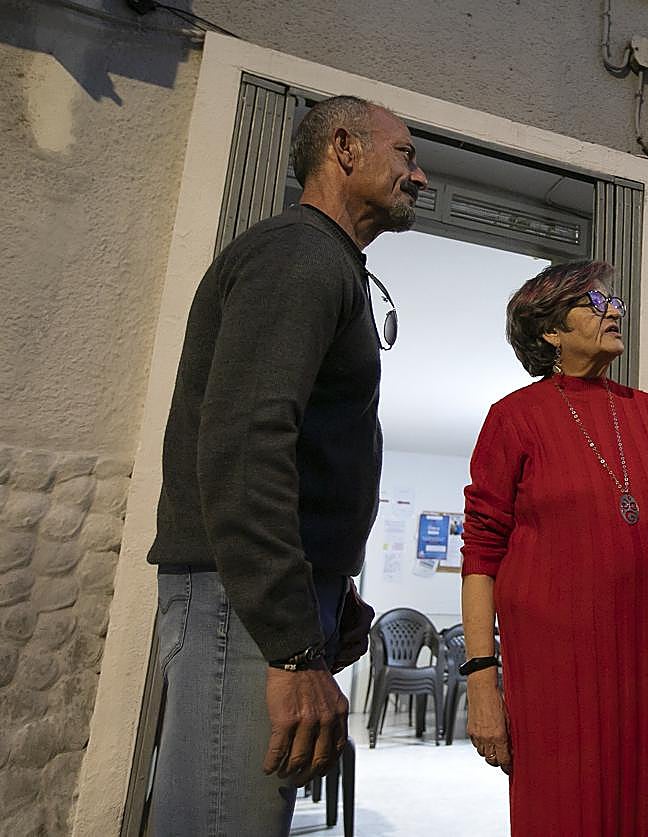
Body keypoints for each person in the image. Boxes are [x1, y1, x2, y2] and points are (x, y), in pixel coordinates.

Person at [146, 95, 427, 835]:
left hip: (277, 601)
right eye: (405, 155)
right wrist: (294, 643)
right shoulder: (298, 254)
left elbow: (306, 453)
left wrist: (334, 593)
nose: (420, 176)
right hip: (245, 606)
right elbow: (245, 445)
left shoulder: (325, 263)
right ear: (343, 146)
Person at [460, 260, 648, 836]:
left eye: (613, 302)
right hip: (556, 673)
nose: (613, 311)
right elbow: (481, 554)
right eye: (593, 303)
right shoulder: (513, 419)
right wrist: (483, 678)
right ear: (550, 332)